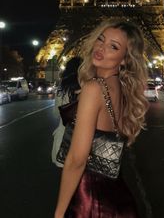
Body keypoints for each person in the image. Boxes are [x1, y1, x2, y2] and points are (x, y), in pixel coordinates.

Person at [54, 18, 149, 218]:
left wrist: (59, 213)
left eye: (113, 47)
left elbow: (76, 160)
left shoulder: (94, 88)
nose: (101, 48)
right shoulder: (121, 88)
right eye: (101, 39)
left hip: (89, 200)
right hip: (118, 198)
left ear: (124, 58)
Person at [51, 56, 82, 168]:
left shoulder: (61, 88)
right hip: (82, 139)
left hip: (63, 137)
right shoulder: (87, 85)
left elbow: (56, 113)